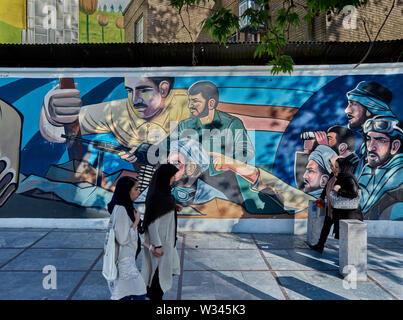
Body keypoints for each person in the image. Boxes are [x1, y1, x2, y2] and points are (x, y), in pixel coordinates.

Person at [39, 76, 190, 163]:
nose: (135, 99)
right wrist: (51, 112)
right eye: (130, 91)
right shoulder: (117, 112)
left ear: (163, 89)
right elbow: (58, 132)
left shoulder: (189, 104)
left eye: (143, 90)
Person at [140, 163, 181, 301]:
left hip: (167, 242)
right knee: (157, 278)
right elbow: (152, 223)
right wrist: (157, 245)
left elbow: (163, 209)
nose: (174, 179)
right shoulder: (157, 197)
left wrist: (173, 207)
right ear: (165, 177)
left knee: (164, 273)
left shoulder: (163, 194)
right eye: (172, 176)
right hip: (160, 244)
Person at [105, 176, 148, 300]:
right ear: (126, 191)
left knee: (124, 292)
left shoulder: (126, 207)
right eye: (136, 188)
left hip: (127, 259)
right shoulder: (122, 210)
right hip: (124, 261)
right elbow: (123, 239)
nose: (139, 191)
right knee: (138, 290)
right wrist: (136, 222)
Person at [309, 157, 363, 254]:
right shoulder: (337, 176)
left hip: (344, 210)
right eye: (332, 166)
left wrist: (339, 190)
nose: (332, 168)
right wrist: (322, 197)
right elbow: (327, 187)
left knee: (344, 235)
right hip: (333, 206)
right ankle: (320, 245)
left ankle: (347, 257)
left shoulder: (347, 178)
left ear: (342, 167)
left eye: (335, 166)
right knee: (326, 226)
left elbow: (353, 193)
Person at [357, 116, 403, 220]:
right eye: (369, 139)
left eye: (380, 140)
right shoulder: (369, 171)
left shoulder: (399, 180)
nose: (370, 147)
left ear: (394, 146)